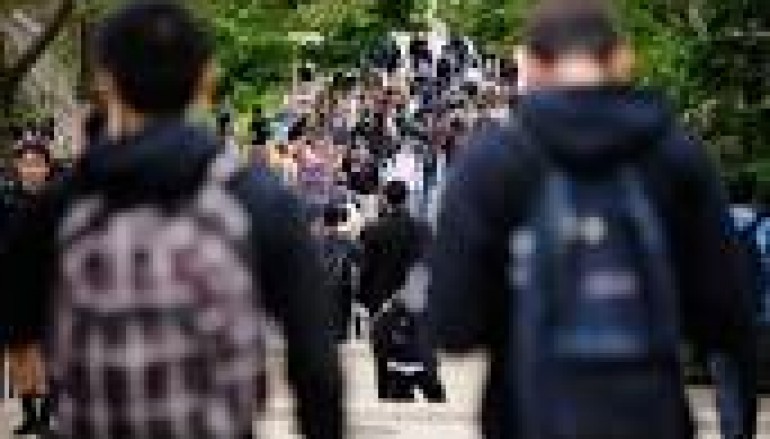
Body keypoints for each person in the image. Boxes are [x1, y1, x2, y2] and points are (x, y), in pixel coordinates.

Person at [0, 2, 343, 438]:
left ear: (106, 81)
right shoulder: (257, 198)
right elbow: (316, 362)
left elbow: (18, 327)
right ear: (206, 80)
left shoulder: (59, 206)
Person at [428, 1, 756, 438]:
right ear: (621, 59)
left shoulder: (493, 162)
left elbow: (454, 324)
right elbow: (727, 317)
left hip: (528, 415)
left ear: (531, 64)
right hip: (650, 416)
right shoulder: (677, 158)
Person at [360, 180, 445, 402]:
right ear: (407, 198)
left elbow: (366, 271)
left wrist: (364, 301)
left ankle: (387, 396)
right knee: (419, 349)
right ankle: (427, 389)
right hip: (417, 301)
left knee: (383, 354)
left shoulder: (373, 231)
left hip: (383, 304)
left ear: (386, 199)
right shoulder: (424, 230)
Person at [0, 138, 57, 435]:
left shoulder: (57, 200)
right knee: (19, 354)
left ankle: (47, 417)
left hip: (49, 287)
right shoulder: (6, 201)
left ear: (47, 168)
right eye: (27, 163)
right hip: (13, 287)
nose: (32, 169)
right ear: (18, 166)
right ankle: (28, 416)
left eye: (38, 163)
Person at [319, 204, 359, 343]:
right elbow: (361, 261)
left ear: (323, 221)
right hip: (343, 291)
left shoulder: (314, 244)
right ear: (340, 221)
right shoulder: (349, 244)